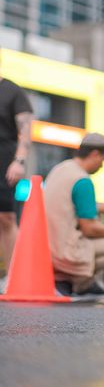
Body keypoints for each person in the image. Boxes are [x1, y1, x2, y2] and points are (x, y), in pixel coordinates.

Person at [44, 132, 104, 298]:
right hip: (62, 252)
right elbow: (89, 228)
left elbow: (80, 206)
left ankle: (66, 280)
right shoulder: (83, 181)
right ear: (95, 154)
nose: (102, 165)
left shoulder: (62, 169)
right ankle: (76, 283)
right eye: (103, 160)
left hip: (45, 246)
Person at [0, 72, 33, 278]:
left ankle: (13, 276)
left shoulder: (12, 91)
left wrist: (19, 161)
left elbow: (26, 131)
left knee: (6, 217)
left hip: (5, 162)